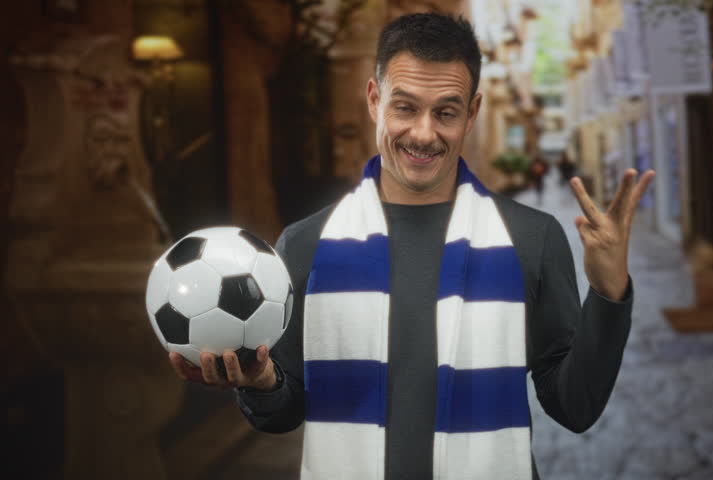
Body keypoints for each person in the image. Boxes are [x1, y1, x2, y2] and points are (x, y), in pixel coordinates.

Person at [168, 13, 654, 479]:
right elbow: (283, 410)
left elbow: (574, 407)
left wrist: (609, 293)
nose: (424, 133)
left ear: (472, 113)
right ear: (374, 99)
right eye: (405, 107)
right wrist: (260, 383)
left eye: (446, 112)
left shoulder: (532, 239)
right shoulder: (304, 245)